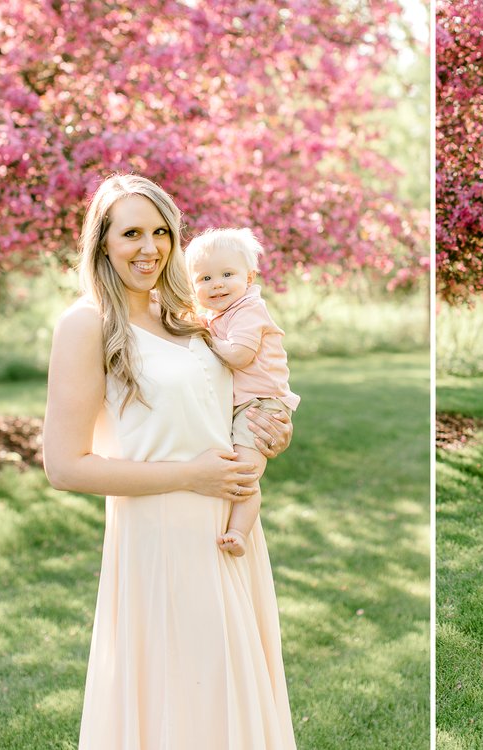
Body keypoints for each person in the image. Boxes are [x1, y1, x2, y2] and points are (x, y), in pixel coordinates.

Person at [43, 174, 299, 749]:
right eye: (131, 232)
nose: (150, 247)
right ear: (102, 242)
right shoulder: (86, 324)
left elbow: (223, 401)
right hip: (159, 537)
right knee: (177, 700)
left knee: (230, 690)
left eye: (161, 232)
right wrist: (192, 475)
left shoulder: (187, 312)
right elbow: (63, 466)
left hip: (230, 531)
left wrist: (268, 429)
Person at [185, 228, 300, 557]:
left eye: (226, 274)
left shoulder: (248, 310)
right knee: (237, 470)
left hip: (262, 404)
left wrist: (205, 337)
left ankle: (238, 531)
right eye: (205, 278)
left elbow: (239, 355)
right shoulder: (217, 314)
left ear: (248, 278)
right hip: (243, 403)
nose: (216, 283)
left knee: (244, 473)